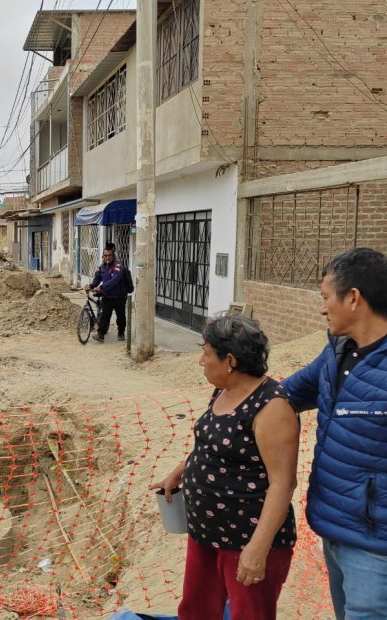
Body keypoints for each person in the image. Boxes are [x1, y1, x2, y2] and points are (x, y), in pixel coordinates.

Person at [151, 314, 300, 620]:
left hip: (246, 540)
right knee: (197, 611)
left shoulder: (272, 407)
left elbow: (282, 484)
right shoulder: (223, 390)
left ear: (230, 360)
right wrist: (182, 469)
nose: (201, 361)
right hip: (206, 533)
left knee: (248, 614)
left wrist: (257, 551)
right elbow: (215, 446)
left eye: (206, 353)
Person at [282, 247, 387, 620]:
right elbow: (283, 397)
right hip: (334, 529)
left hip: (376, 549)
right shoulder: (335, 353)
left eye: (326, 297)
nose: (322, 308)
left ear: (354, 298)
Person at [85, 244, 127, 342]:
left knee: (120, 317)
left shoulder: (118, 267)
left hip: (119, 296)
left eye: (109, 255)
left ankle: (121, 333)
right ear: (103, 257)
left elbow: (114, 280)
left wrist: (102, 287)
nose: (107, 257)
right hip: (107, 296)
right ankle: (101, 335)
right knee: (105, 315)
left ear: (113, 256)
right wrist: (91, 286)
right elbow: (97, 279)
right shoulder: (101, 268)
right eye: (105, 255)